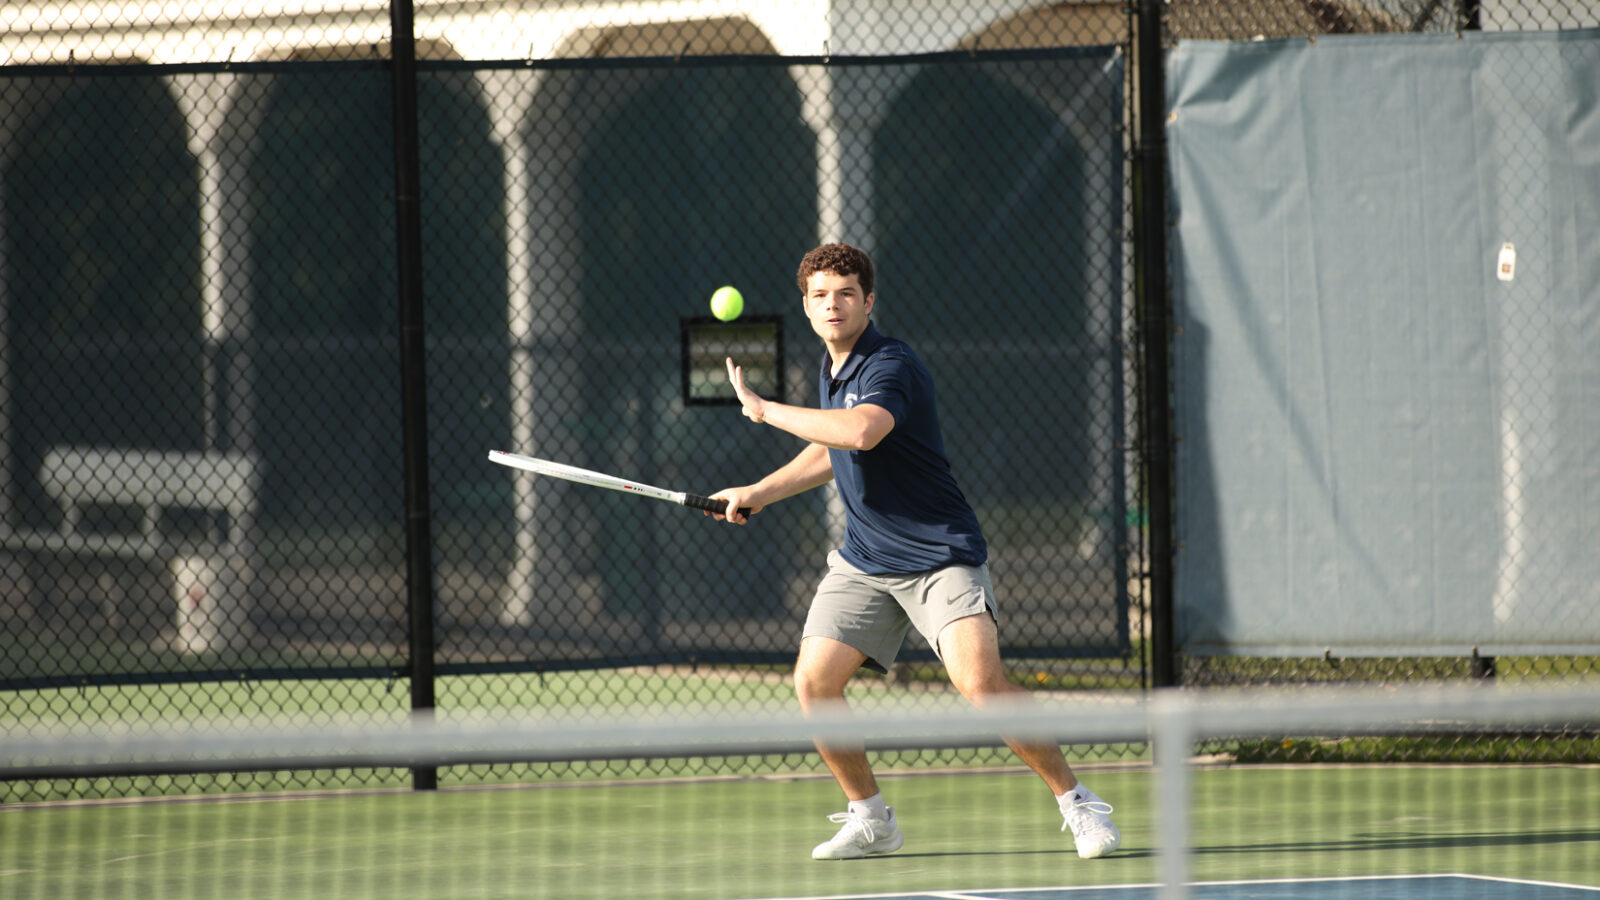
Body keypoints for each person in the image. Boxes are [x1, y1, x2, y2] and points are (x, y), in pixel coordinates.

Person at [707, 242, 1120, 861]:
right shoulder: (832, 369)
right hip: (866, 560)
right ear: (807, 306)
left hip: (940, 555)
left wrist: (764, 410)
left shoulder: (888, 363)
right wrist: (760, 492)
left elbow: (861, 432)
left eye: (846, 293)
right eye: (820, 295)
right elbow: (831, 450)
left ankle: (1077, 802)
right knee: (815, 683)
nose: (833, 304)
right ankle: (872, 820)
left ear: (868, 302)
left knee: (980, 684)